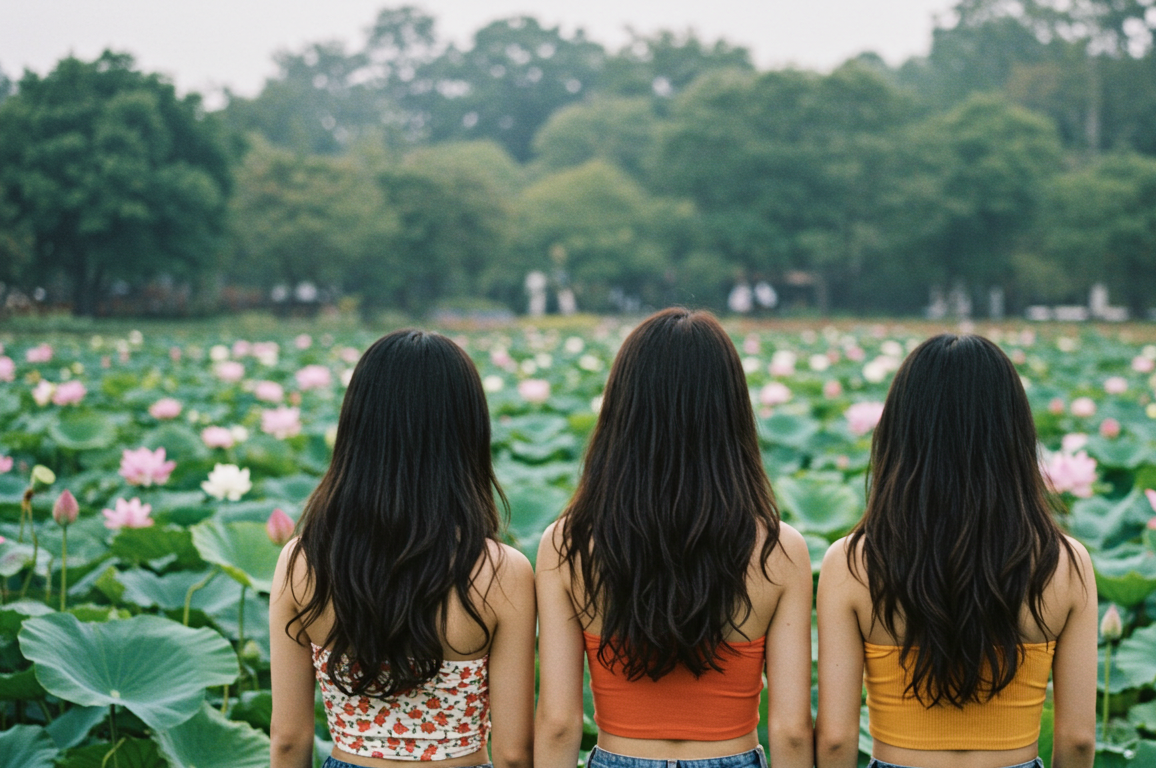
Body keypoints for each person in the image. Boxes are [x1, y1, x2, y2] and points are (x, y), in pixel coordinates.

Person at [535, 308, 814, 768]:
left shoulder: (567, 544)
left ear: (621, 410)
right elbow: (790, 730)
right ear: (731, 412)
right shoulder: (780, 550)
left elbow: (560, 723)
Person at [816, 334, 1097, 768]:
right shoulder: (1066, 563)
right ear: (1014, 434)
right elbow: (1078, 740)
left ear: (899, 432)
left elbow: (835, 740)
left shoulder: (852, 563)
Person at [270, 330, 536, 768]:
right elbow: (511, 753)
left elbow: (287, 739)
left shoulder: (301, 562)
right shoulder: (503, 572)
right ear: (469, 430)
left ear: (356, 427)